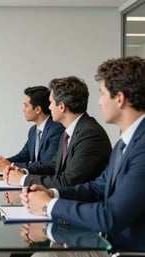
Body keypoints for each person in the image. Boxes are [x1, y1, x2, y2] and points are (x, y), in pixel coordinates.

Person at [21, 56, 145, 253]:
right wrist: (51, 193)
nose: (99, 101)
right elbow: (97, 188)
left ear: (119, 99)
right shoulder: (126, 141)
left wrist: (49, 205)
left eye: (103, 94)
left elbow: (109, 217)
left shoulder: (141, 147)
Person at [4, 76, 112, 188]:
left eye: (51, 102)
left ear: (61, 107)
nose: (49, 107)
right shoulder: (70, 132)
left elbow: (68, 181)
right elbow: (53, 166)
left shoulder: (90, 134)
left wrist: (23, 180)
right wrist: (24, 171)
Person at [0, 86, 64, 171]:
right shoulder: (33, 130)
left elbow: (46, 164)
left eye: (26, 106)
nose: (23, 110)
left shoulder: (57, 129)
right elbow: (23, 156)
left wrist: (10, 165)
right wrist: (2, 162)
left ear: (37, 109)